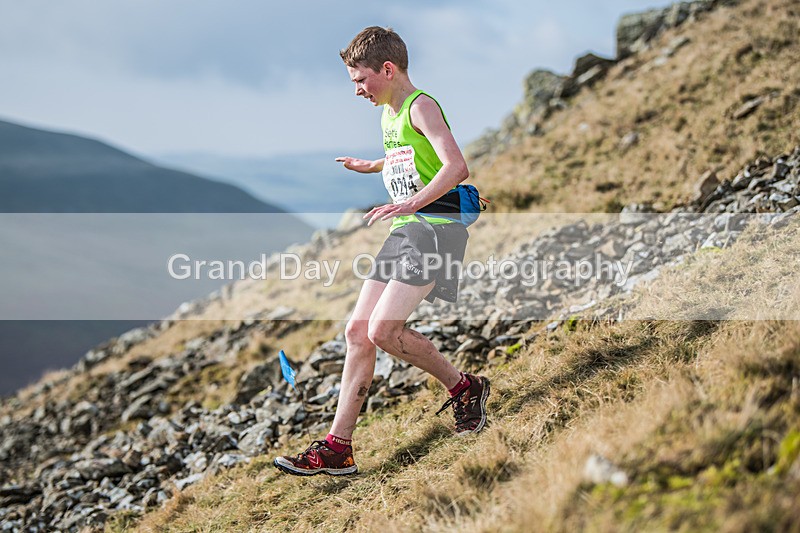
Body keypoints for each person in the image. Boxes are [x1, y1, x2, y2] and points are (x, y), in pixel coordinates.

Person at [273, 26, 490, 477]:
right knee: (357, 331)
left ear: (387, 69)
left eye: (360, 80)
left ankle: (465, 388)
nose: (356, 90)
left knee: (383, 331)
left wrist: (411, 202)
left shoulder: (421, 106)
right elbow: (407, 157)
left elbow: (456, 165)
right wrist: (370, 165)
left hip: (433, 228)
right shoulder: (389, 114)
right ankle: (338, 449)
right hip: (407, 227)